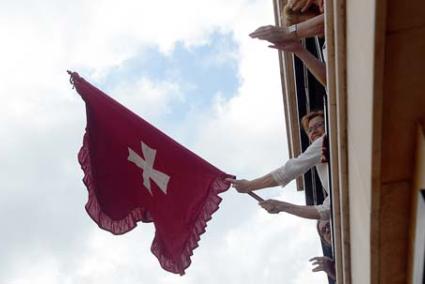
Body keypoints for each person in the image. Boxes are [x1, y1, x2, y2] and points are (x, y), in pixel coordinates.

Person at [226, 110, 330, 220]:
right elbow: (326, 211)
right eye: (309, 130)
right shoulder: (323, 159)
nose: (314, 131)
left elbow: (288, 171)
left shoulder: (325, 139)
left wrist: (249, 185)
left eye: (319, 125)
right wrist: (282, 206)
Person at [249, 2, 327, 86]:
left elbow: (330, 20)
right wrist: (299, 50)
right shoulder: (326, 47)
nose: (304, 31)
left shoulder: (333, 6)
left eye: (303, 23)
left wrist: (289, 32)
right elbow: (330, 80)